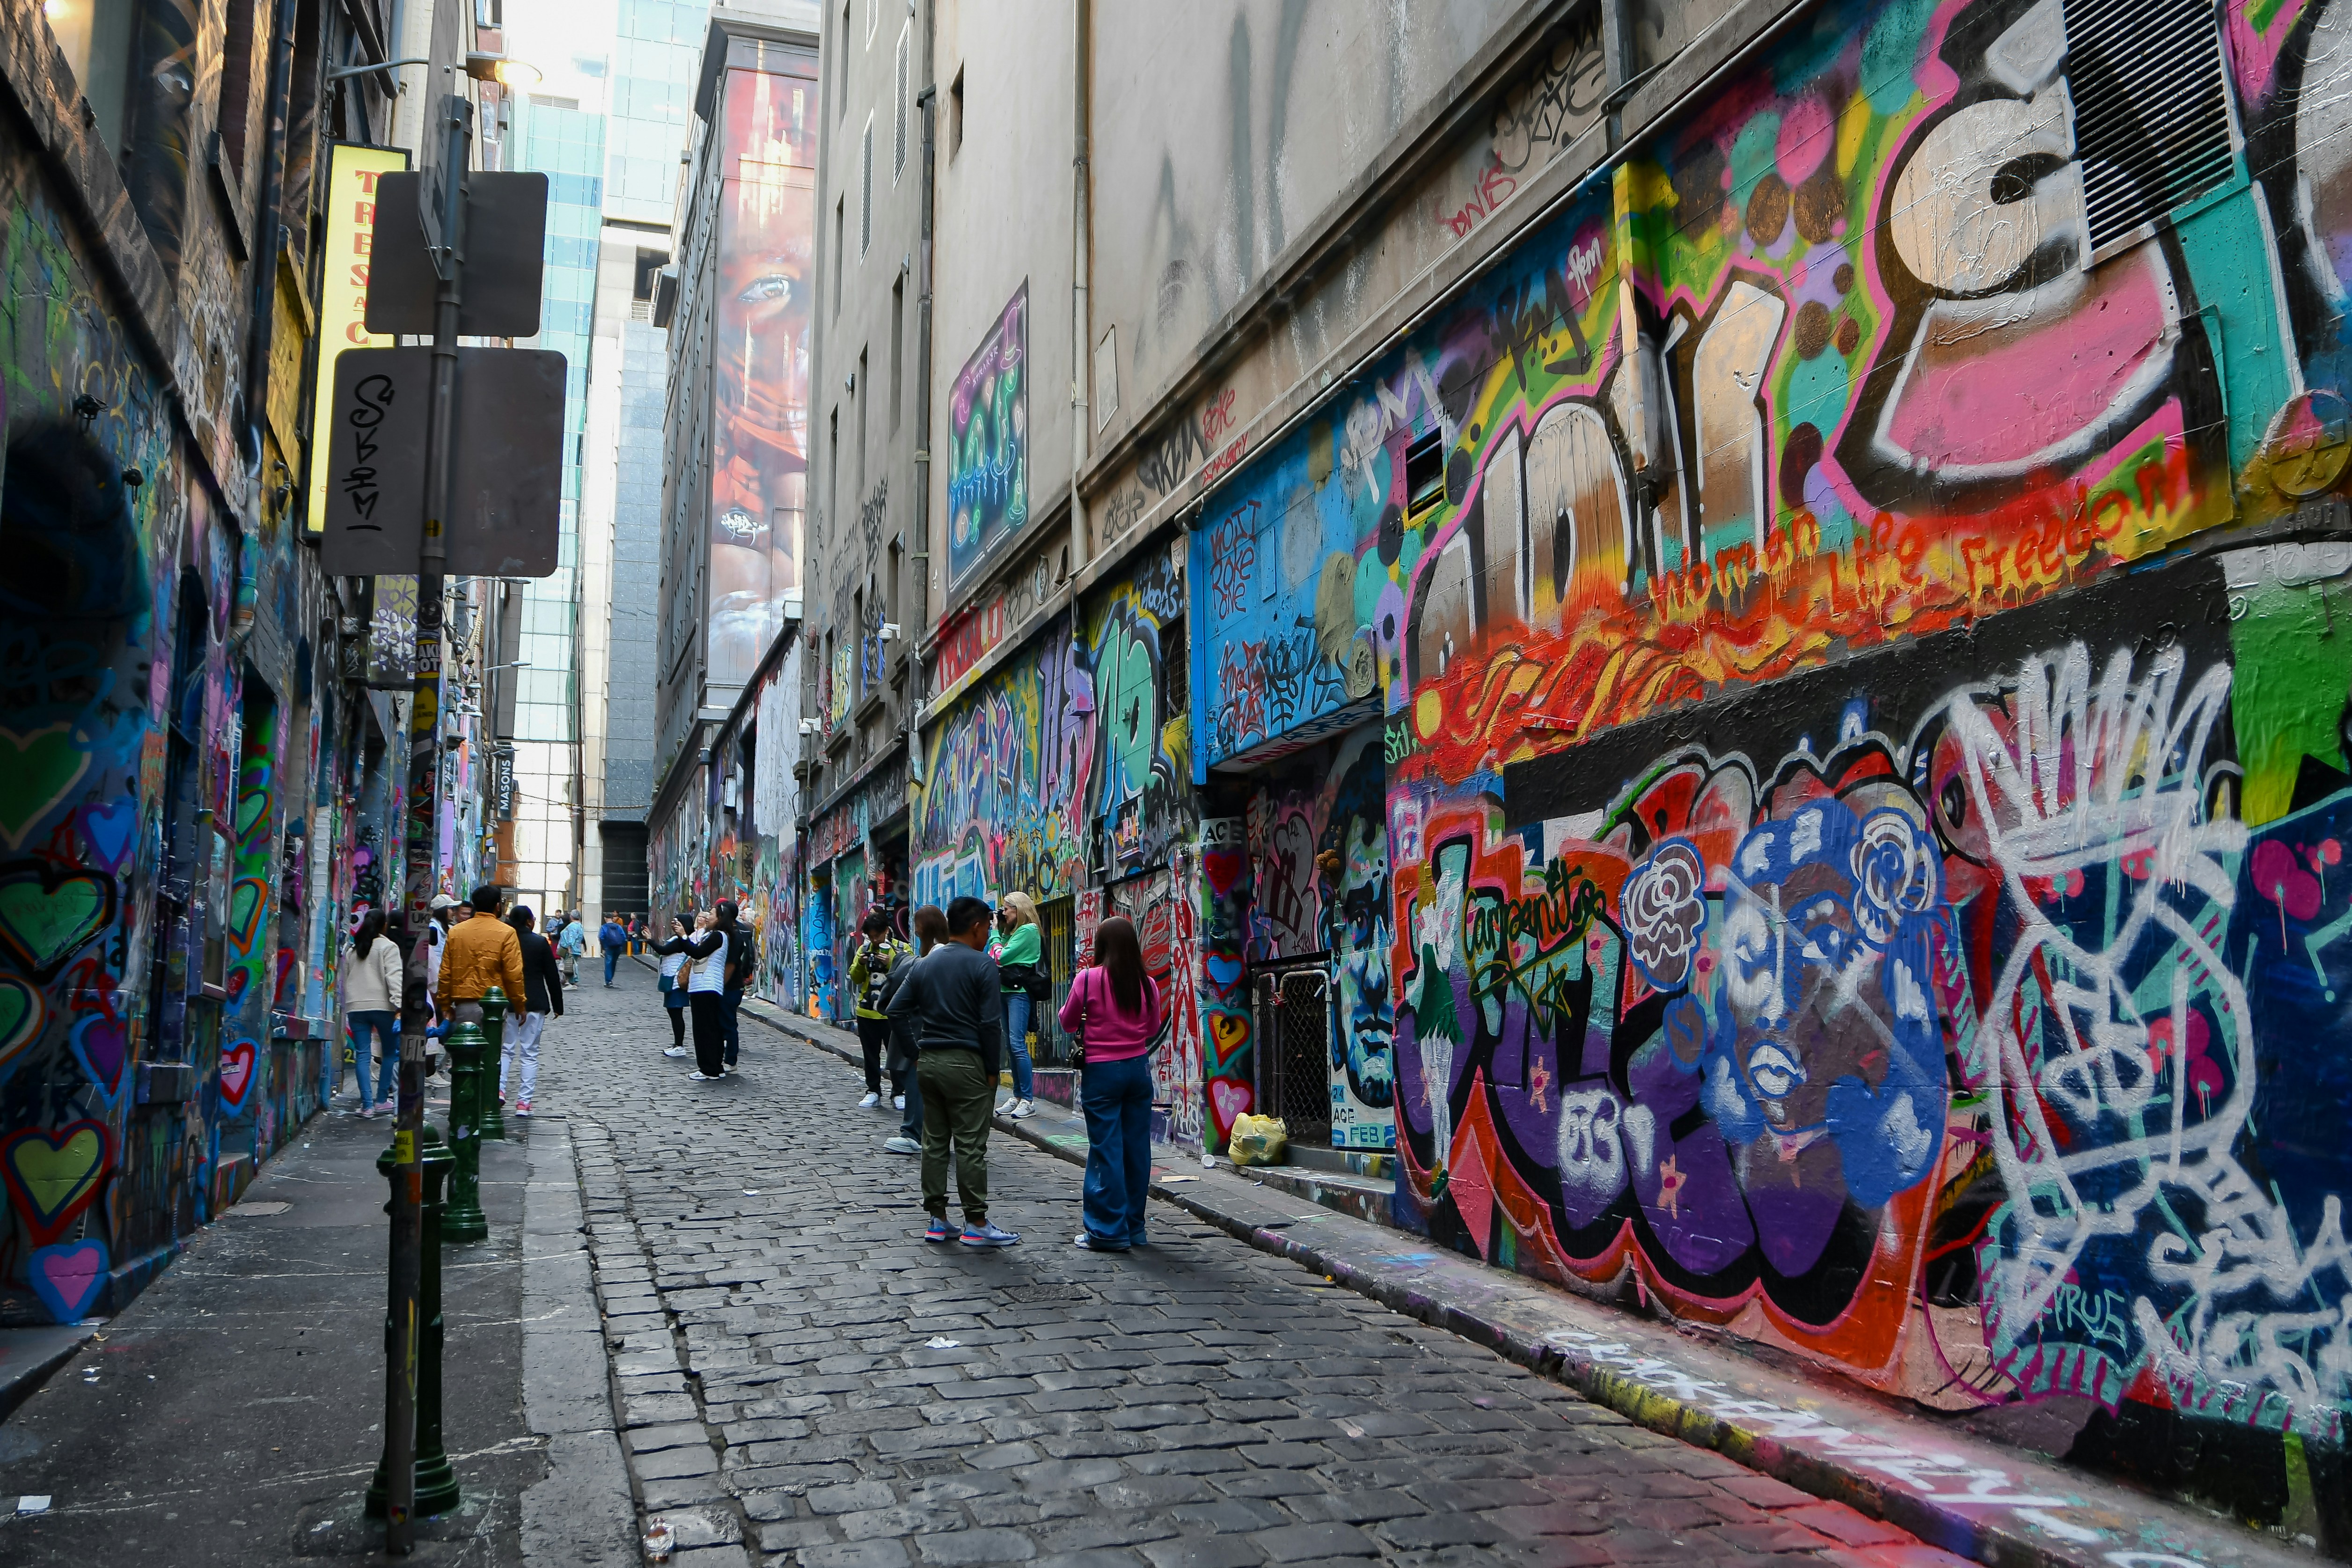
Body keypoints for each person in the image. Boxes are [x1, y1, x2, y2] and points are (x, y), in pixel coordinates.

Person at [886, 895, 1016, 1247]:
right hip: (967, 1063)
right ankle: (976, 1222)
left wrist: (915, 1052)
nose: (989, 933)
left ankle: (937, 1220)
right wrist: (993, 1070)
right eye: (988, 927)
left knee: (934, 1144)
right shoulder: (982, 965)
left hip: (929, 1063)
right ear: (976, 927)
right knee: (972, 1145)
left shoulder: (925, 963)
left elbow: (895, 1010)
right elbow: (991, 1025)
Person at [1062, 916, 1164, 1251]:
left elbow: (1066, 1022)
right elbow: (1152, 1027)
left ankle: (1107, 1230)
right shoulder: (1147, 983)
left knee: (1106, 1150)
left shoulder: (1087, 979)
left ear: (1101, 946)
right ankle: (1135, 1227)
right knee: (1137, 1150)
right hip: (1137, 1070)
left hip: (1102, 1072)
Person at [877, 905, 947, 1154]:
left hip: (925, 1033)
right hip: (933, 1034)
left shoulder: (927, 961)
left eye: (917, 923)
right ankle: (929, 1134)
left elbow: (892, 1007)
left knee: (919, 1084)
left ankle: (913, 1133)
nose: (914, 929)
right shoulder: (932, 957)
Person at [502, 905, 565, 1117]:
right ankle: (524, 1102)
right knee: (530, 1053)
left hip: (507, 1001)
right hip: (534, 1002)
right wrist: (558, 1005)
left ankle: (499, 1090)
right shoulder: (539, 942)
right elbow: (552, 976)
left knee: (505, 1050)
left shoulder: (504, 939)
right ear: (530, 922)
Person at [438, 884, 528, 1027]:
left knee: (465, 1046)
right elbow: (514, 974)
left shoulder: (456, 932)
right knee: (492, 1048)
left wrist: (445, 1004)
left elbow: (445, 972)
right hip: (494, 1004)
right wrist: (520, 1004)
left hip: (464, 1003)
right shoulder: (507, 933)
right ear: (498, 906)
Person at [342, 909, 403, 1119]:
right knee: (389, 1053)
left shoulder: (353, 950)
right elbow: (394, 977)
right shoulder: (388, 947)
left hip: (356, 1007)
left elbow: (348, 977)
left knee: (363, 1055)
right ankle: (380, 1101)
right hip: (382, 1006)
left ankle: (366, 1106)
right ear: (384, 926)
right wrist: (399, 1004)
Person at [848, 912, 909, 1108]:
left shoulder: (901, 949)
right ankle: (873, 1090)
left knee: (897, 1054)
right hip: (867, 1011)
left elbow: (908, 977)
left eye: (878, 935)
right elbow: (856, 978)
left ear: (886, 931)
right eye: (871, 936)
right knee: (870, 1054)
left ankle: (899, 1092)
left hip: (892, 1012)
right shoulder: (863, 949)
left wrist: (889, 963)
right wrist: (861, 963)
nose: (875, 940)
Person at [995, 892, 1045, 1119]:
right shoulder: (1014, 932)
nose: (1003, 912)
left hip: (1019, 993)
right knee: (1011, 1044)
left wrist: (995, 940)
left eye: (1007, 908)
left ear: (1020, 909)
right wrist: (1002, 932)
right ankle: (1017, 1096)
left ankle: (1027, 1099)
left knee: (1017, 1044)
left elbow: (1000, 957)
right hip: (1005, 991)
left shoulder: (1029, 930)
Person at [676, 906, 735, 1080]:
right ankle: (715, 1067)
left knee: (704, 1030)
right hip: (708, 986)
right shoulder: (716, 936)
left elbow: (697, 953)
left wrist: (683, 936)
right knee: (711, 1028)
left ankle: (708, 1068)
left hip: (705, 987)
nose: (707, 917)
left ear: (720, 919)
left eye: (711, 914)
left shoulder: (717, 936)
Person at [653, 914, 694, 1058]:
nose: (674, 925)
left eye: (678, 923)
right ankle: (678, 1045)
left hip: (676, 981)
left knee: (676, 1013)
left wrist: (649, 940)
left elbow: (663, 951)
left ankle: (679, 1045)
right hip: (672, 979)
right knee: (674, 1013)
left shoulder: (681, 941)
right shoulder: (678, 939)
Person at [718, 901, 753, 1070]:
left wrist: (720, 985)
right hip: (732, 985)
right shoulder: (730, 934)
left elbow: (732, 964)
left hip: (730, 986)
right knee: (724, 1022)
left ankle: (731, 1060)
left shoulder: (735, 936)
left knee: (729, 1024)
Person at [599, 911, 629, 987]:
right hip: (618, 947)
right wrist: (620, 945)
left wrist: (604, 947)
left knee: (608, 963)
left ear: (605, 919)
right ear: (612, 919)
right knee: (614, 963)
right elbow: (624, 937)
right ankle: (611, 978)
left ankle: (608, 981)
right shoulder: (618, 927)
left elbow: (601, 938)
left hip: (609, 947)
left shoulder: (604, 927)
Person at [557, 911, 587, 984]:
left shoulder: (573, 926)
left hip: (571, 949)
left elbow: (572, 937)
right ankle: (568, 980)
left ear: (572, 916)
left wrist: (569, 947)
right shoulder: (579, 925)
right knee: (572, 964)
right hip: (576, 948)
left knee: (570, 965)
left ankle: (572, 981)